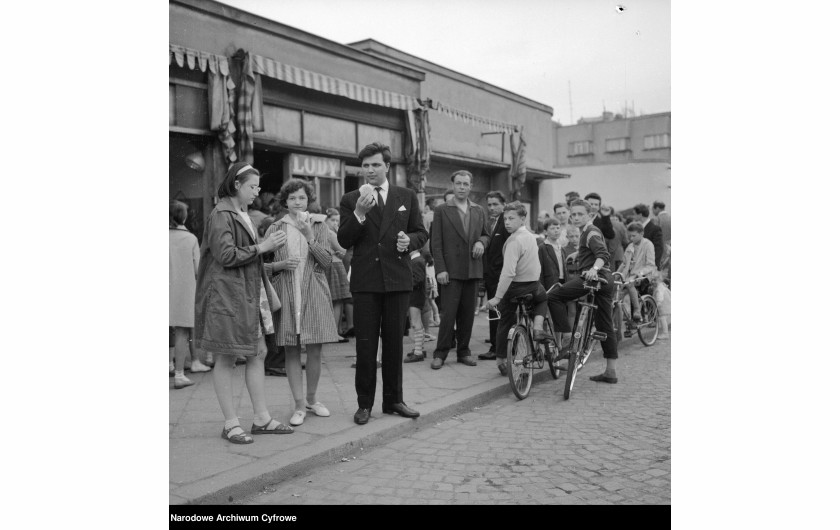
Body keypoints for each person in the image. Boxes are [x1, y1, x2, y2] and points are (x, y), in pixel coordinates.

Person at [194, 162, 293, 444]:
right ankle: (231, 423)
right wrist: (263, 247)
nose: (257, 192)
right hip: (228, 296)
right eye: (252, 186)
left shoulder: (237, 212)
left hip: (244, 295)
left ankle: (261, 418)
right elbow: (225, 255)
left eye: (258, 187)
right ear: (237, 185)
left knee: (257, 352)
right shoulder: (221, 214)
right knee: (227, 356)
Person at [337, 142, 428, 425]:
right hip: (365, 282)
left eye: (375, 165)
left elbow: (420, 232)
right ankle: (364, 404)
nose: (370, 170)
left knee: (393, 345)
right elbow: (343, 239)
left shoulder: (406, 195)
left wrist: (408, 241)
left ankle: (394, 401)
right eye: (365, 166)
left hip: (396, 280)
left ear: (387, 167)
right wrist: (359, 215)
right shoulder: (352, 198)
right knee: (365, 347)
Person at [264, 179, 340, 427]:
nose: (298, 202)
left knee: (316, 350)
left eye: (302, 198)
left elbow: (327, 261)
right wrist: (279, 265)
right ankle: (298, 405)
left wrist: (309, 237)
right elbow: (260, 265)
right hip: (287, 292)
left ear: (309, 200)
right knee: (291, 350)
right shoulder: (275, 228)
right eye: (293, 198)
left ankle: (312, 399)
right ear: (285, 202)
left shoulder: (319, 225)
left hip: (314, 292)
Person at [546, 199, 620, 384]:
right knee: (604, 324)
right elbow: (592, 251)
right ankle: (611, 372)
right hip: (606, 280)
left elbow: (603, 254)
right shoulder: (588, 231)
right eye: (574, 214)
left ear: (590, 215)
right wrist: (578, 254)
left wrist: (594, 269)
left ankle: (567, 340)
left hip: (593, 278)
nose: (576, 217)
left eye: (580, 214)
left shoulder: (590, 232)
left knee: (553, 296)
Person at [428, 170, 490, 369]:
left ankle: (464, 351)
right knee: (448, 315)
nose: (462, 187)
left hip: (472, 269)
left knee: (467, 314)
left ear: (471, 186)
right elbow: (436, 243)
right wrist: (440, 269)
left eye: (466, 184)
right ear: (453, 186)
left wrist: (481, 241)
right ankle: (441, 353)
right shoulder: (442, 210)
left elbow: (486, 234)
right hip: (450, 271)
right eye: (459, 184)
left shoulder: (478, 210)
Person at [486, 202, 551, 376]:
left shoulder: (514, 241)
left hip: (515, 287)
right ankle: (537, 326)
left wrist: (497, 297)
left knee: (505, 321)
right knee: (542, 298)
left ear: (522, 219)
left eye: (511, 218)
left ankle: (501, 360)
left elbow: (508, 273)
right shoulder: (530, 236)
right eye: (505, 218)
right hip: (533, 285)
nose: (507, 222)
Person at [169, 200, 211, 388]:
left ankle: (169, 363)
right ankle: (179, 374)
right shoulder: (191, 239)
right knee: (182, 331)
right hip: (184, 289)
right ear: (184, 216)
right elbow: (198, 268)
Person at [478, 190, 510, 361]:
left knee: (499, 313)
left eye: (495, 204)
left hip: (501, 276)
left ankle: (498, 349)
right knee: (494, 313)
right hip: (491, 275)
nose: (491, 207)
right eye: (489, 204)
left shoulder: (506, 222)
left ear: (504, 205)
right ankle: (496, 346)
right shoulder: (492, 222)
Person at [538, 218, 570, 346]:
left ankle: (558, 344)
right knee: (549, 317)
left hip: (562, 283)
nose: (556, 231)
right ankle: (548, 345)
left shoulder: (561, 248)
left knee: (560, 315)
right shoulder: (542, 247)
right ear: (546, 231)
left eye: (558, 228)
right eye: (552, 228)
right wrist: (541, 287)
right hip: (549, 285)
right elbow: (539, 269)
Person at [618, 222, 657, 322]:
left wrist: (638, 274)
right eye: (629, 236)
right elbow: (624, 263)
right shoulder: (630, 246)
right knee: (617, 291)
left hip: (645, 275)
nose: (631, 238)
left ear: (641, 234)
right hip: (631, 276)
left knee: (630, 284)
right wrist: (616, 274)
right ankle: (620, 318)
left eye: (634, 236)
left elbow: (650, 265)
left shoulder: (648, 245)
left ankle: (637, 310)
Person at [325, 208, 353, 343]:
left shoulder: (326, 232)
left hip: (334, 264)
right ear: (326, 220)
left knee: (337, 300)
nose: (335, 222)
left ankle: (336, 330)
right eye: (332, 220)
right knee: (337, 300)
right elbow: (342, 249)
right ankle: (335, 332)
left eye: (337, 220)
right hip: (335, 265)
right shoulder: (330, 233)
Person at [404, 247, 430, 362]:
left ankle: (418, 352)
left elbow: (418, 279)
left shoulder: (417, 261)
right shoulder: (417, 260)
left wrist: (404, 283)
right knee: (416, 322)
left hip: (415, 296)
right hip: (416, 296)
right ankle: (419, 348)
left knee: (415, 323)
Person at [632, 203, 665, 269]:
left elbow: (658, 249)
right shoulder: (637, 228)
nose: (633, 216)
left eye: (634, 214)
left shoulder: (655, 229)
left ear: (640, 215)